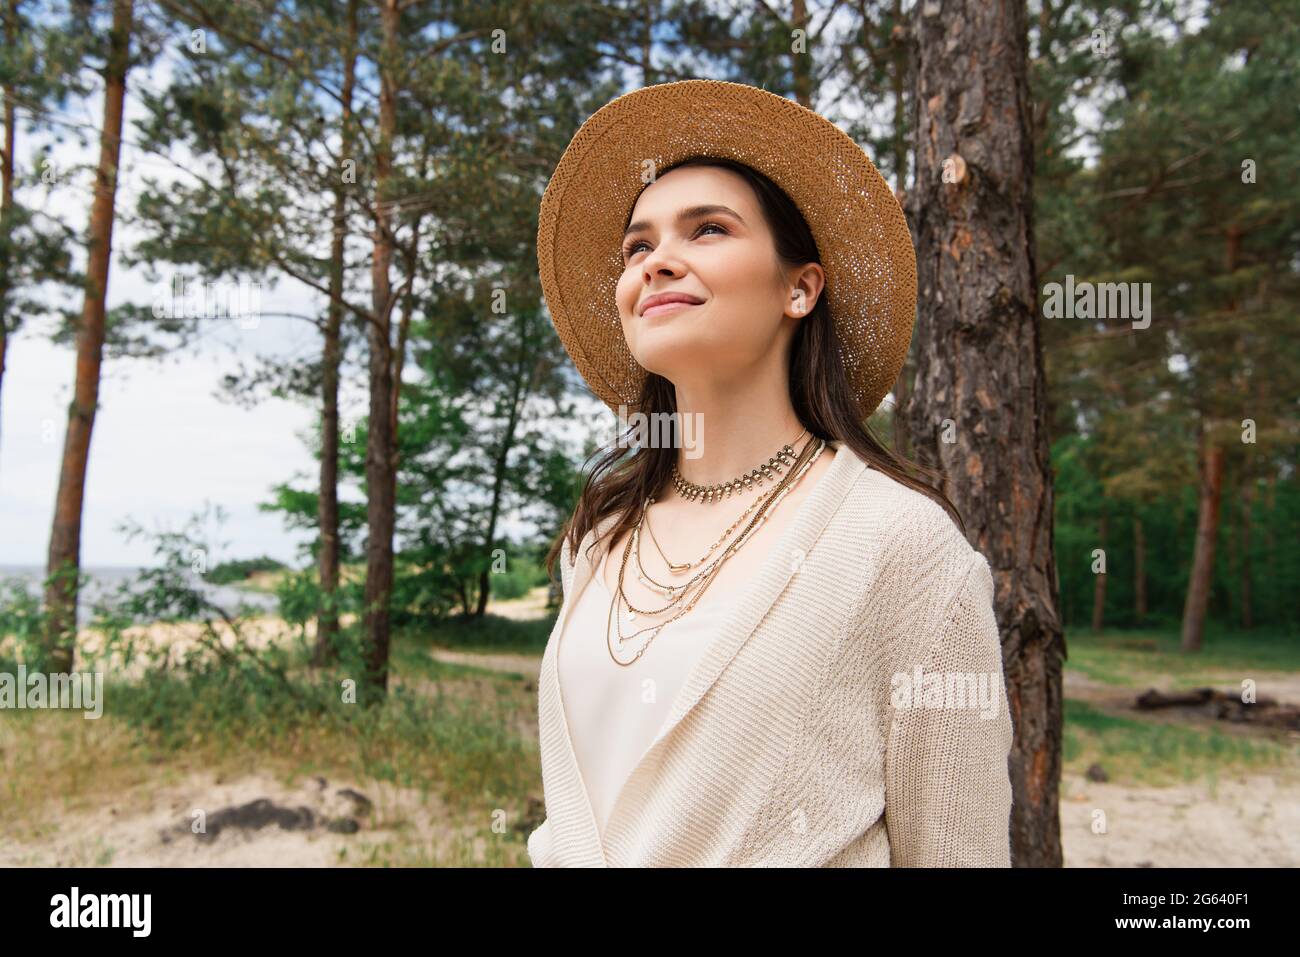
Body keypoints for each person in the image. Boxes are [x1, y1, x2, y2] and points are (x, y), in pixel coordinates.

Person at [529, 79, 1014, 867]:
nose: (658, 263)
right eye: (637, 246)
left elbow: (961, 853)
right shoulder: (602, 533)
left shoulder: (903, 545)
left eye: (707, 230)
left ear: (801, 287)